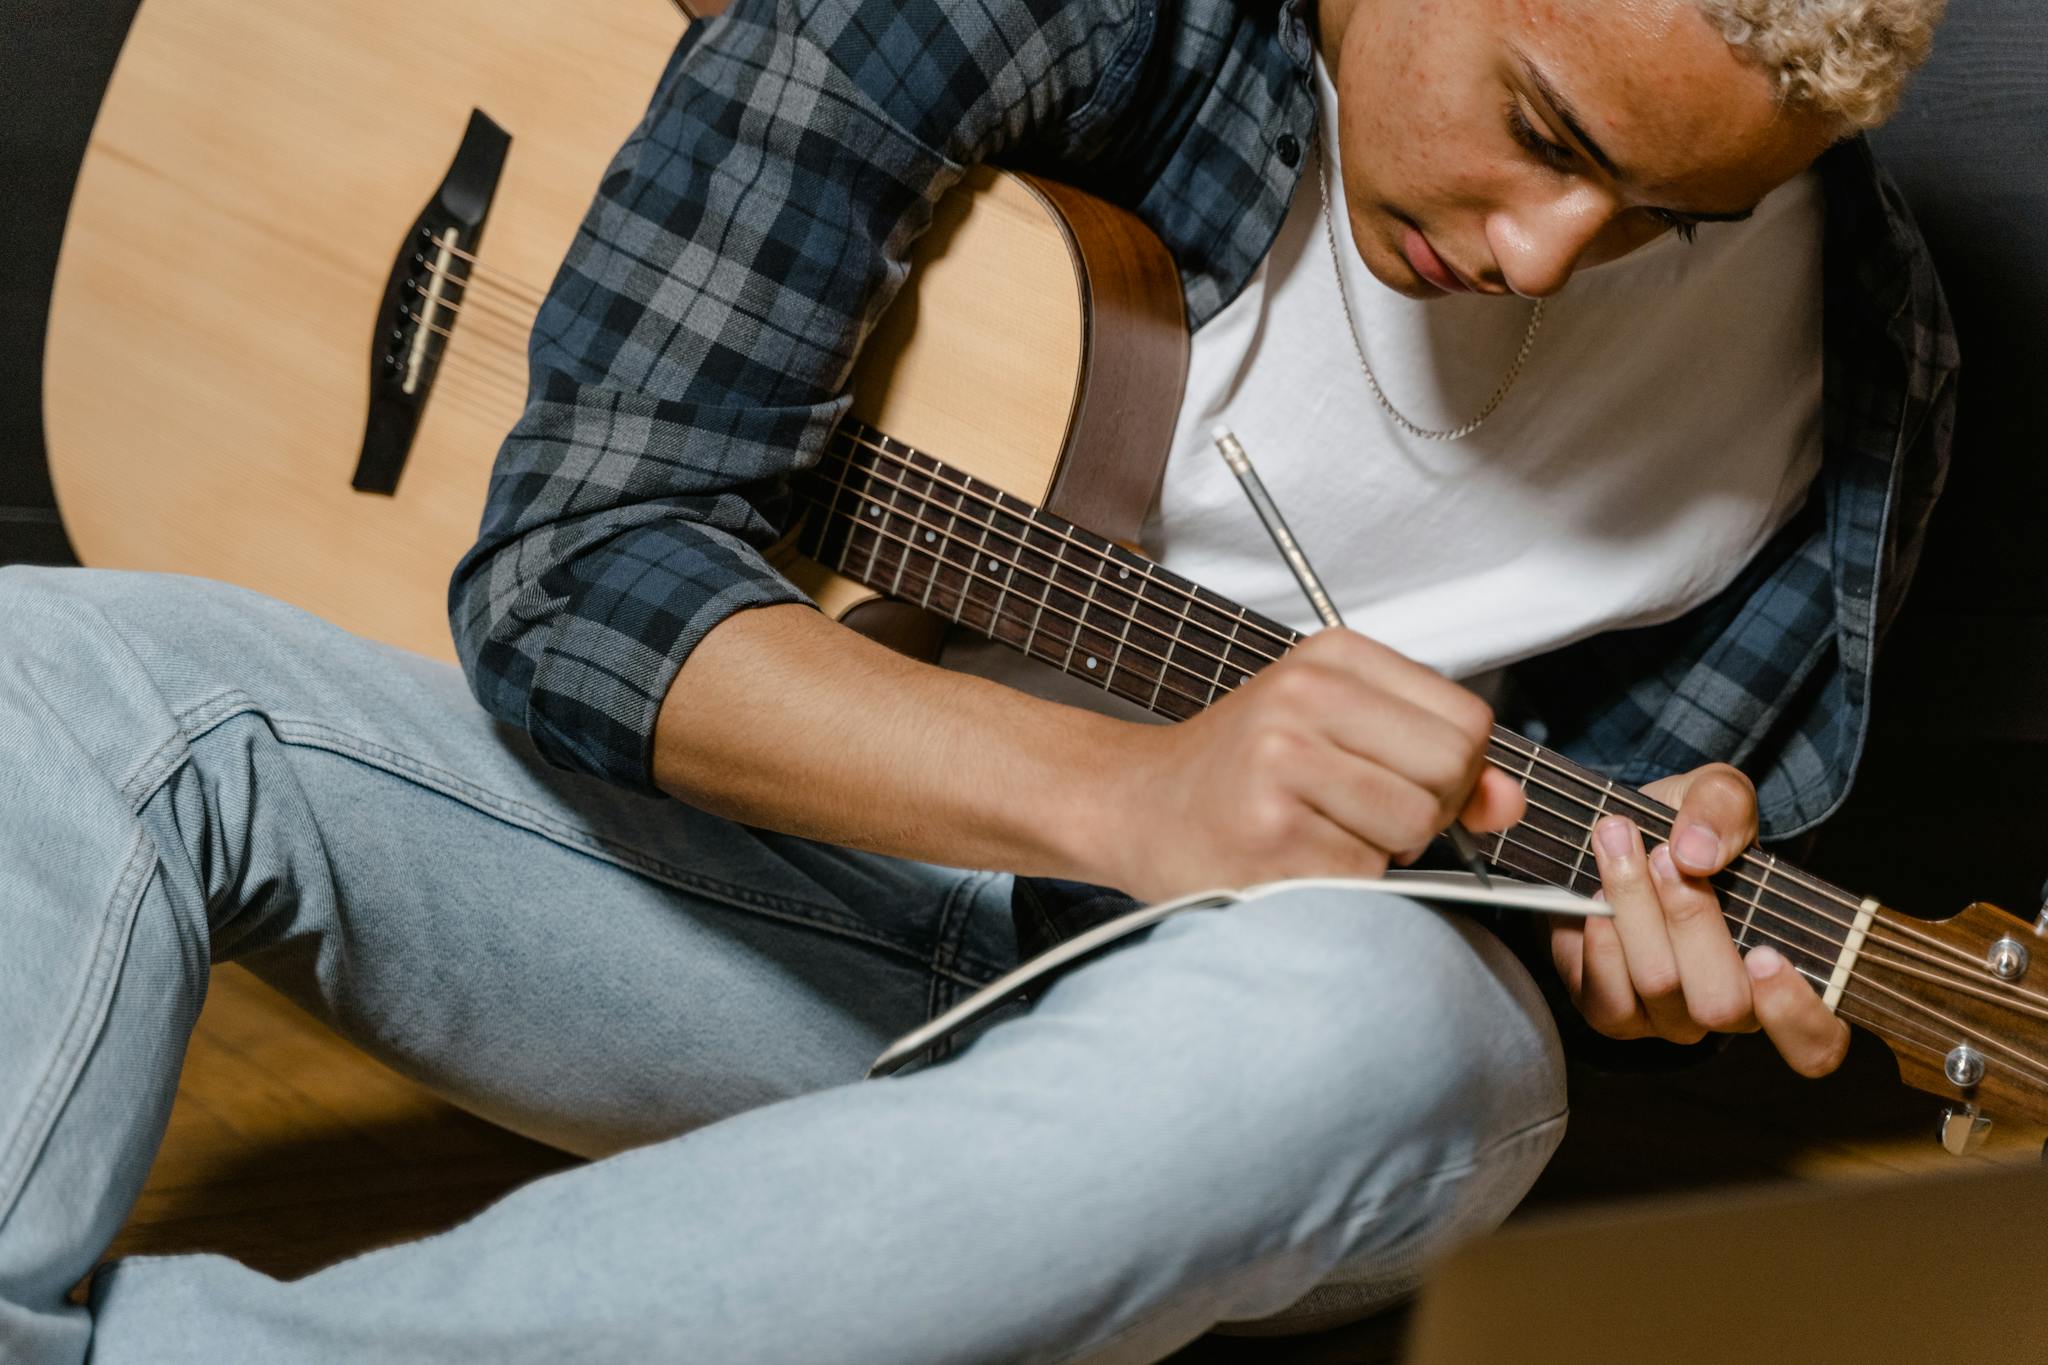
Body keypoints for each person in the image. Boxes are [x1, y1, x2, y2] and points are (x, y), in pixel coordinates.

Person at [0, 0, 1953, 1360]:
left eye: (1668, 219)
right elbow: (578, 571)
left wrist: (1639, 946)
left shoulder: (1840, 370)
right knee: (55, 669)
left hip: (1209, 1055)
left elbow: (1561, 867)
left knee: (1395, 1028)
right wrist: (1126, 797)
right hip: (722, 875)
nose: (1547, 255)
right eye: (1543, 131)